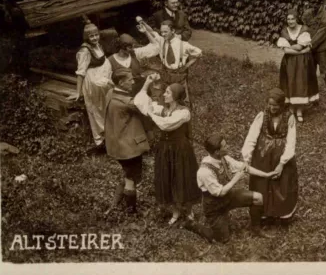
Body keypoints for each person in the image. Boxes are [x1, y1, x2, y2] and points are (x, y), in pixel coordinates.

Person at [134, 74, 201, 225]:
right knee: (169, 177)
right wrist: (147, 83)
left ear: (176, 97)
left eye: (168, 93)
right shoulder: (162, 109)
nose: (164, 94)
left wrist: (151, 113)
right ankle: (175, 211)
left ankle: (188, 209)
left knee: (182, 177)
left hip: (180, 149)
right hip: (165, 149)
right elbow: (140, 101)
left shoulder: (184, 112)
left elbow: (166, 124)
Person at [197, 133, 277, 242]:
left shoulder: (224, 157)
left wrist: (266, 174)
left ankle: (256, 228)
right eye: (224, 146)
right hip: (214, 206)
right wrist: (236, 177)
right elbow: (219, 193)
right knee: (222, 239)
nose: (228, 146)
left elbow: (243, 167)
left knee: (258, 198)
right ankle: (194, 226)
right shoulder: (204, 172)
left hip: (228, 197)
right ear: (217, 152)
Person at [242, 88, 299, 227]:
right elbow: (252, 136)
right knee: (262, 184)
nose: (272, 108)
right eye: (270, 104)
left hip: (280, 157)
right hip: (262, 156)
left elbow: (291, 142)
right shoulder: (262, 116)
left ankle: (283, 214)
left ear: (281, 105)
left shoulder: (289, 118)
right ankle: (264, 214)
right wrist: (247, 157)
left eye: (275, 105)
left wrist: (282, 163)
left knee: (282, 185)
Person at [104, 68, 151, 215]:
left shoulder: (111, 93)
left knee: (127, 174)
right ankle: (132, 212)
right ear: (121, 82)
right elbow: (142, 105)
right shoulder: (126, 102)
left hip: (117, 144)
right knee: (131, 179)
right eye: (129, 80)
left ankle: (114, 205)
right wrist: (148, 84)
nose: (133, 81)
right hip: (128, 147)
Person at [68, 18, 113, 150]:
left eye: (96, 35)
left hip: (104, 80)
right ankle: (101, 141)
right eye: (91, 36)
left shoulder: (99, 45)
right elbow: (81, 72)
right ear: (86, 37)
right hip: (94, 82)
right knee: (97, 109)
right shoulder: (84, 51)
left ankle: (111, 135)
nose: (94, 38)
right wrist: (78, 91)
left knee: (107, 106)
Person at [137, 19, 202, 103]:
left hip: (178, 76)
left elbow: (199, 53)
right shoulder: (162, 41)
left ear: (173, 30)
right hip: (166, 75)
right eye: (162, 32)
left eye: (165, 32)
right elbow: (152, 32)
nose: (163, 34)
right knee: (165, 97)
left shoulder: (183, 44)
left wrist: (186, 65)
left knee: (181, 100)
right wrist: (143, 24)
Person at [277, 9, 320, 122]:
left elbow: (299, 46)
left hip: (303, 62)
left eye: (293, 19)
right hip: (289, 62)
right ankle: (291, 107)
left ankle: (299, 110)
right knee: (290, 81)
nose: (290, 21)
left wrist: (297, 47)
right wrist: (302, 50)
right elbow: (287, 51)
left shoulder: (304, 30)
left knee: (301, 82)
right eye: (288, 19)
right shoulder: (284, 31)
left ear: (297, 19)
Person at [308, 0, 326, 92]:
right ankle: (313, 96)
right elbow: (304, 28)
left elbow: (321, 35)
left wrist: (308, 46)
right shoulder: (307, 14)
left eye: (316, 3)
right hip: (310, 49)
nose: (314, 5)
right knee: (310, 73)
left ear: (321, 4)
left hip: (322, 49)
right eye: (312, 3)